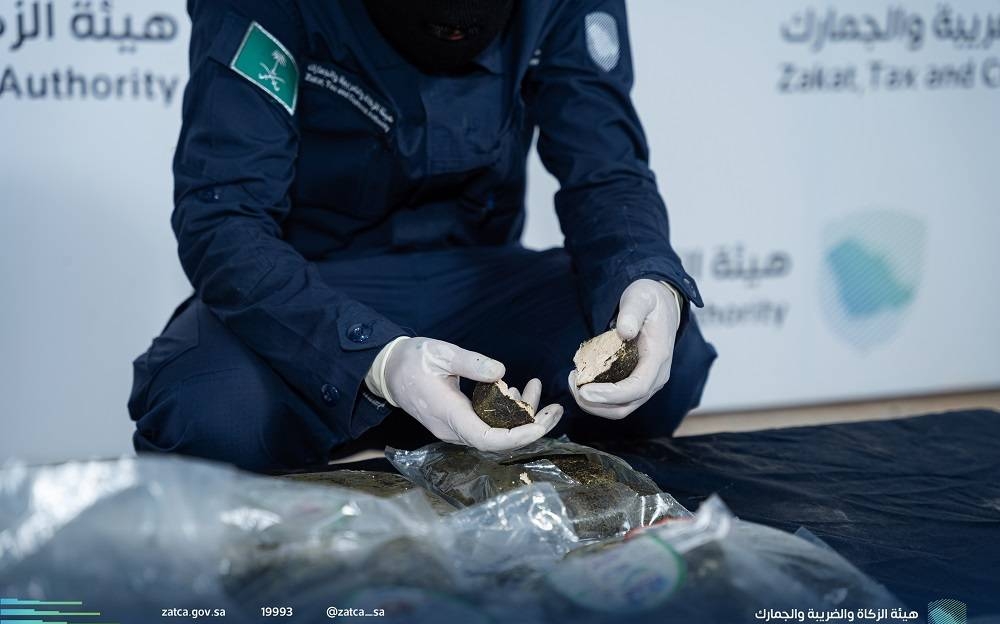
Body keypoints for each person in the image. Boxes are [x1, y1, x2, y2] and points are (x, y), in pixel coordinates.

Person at [128, 0, 717, 472]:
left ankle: (458, 427)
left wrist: (646, 275)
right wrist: (378, 361)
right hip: (312, 294)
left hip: (481, 283)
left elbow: (605, 171)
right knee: (205, 414)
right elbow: (224, 216)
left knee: (660, 356)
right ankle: (382, 399)